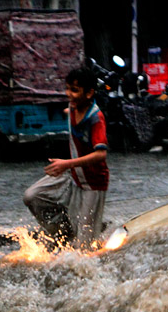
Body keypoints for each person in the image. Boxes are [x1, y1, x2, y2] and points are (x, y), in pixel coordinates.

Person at [23, 66, 109, 249]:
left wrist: (67, 163)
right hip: (73, 176)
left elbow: (101, 153)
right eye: (68, 89)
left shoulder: (96, 118)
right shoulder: (72, 107)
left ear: (89, 93)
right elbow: (70, 113)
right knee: (32, 196)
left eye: (74, 90)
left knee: (83, 248)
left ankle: (89, 238)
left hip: (92, 185)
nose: (69, 94)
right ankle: (61, 232)